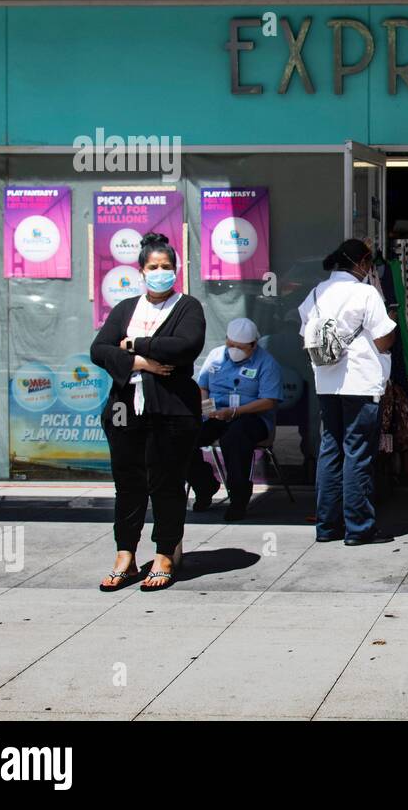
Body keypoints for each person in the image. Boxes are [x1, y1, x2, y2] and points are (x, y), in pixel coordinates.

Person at [90, 232, 206, 592]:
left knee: (167, 484)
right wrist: (142, 362)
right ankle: (125, 554)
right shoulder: (126, 308)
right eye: (153, 267)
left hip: (172, 411)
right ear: (141, 271)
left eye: (166, 266)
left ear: (177, 270)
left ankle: (165, 554)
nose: (160, 272)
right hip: (126, 409)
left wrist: (134, 344)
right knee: (128, 485)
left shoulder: (187, 307)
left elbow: (185, 346)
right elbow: (99, 349)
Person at [298, 239, 398, 545]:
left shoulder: (316, 293)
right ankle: (359, 527)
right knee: (358, 454)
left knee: (331, 450)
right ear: (363, 263)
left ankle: (327, 527)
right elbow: (383, 341)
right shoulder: (365, 293)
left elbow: (305, 336)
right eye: (369, 263)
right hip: (360, 383)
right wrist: (393, 322)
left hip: (326, 383)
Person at [188, 317, 284, 520]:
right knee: (184, 436)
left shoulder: (266, 363)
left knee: (235, 438)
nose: (234, 350)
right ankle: (205, 485)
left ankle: (238, 499)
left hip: (251, 417)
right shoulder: (215, 356)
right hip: (216, 415)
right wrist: (206, 408)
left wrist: (235, 412)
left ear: (253, 345)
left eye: (240, 347)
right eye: (230, 345)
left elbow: (269, 401)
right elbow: (202, 385)